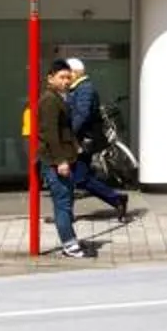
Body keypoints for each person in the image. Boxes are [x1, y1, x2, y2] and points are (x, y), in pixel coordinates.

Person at [34, 60, 129, 257]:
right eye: (62, 77)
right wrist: (61, 160)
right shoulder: (50, 100)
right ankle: (70, 245)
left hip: (65, 156)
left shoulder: (59, 97)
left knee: (66, 201)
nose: (66, 81)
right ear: (50, 78)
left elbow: (66, 127)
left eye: (68, 77)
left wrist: (75, 147)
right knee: (63, 203)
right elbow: (50, 134)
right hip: (56, 160)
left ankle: (71, 241)